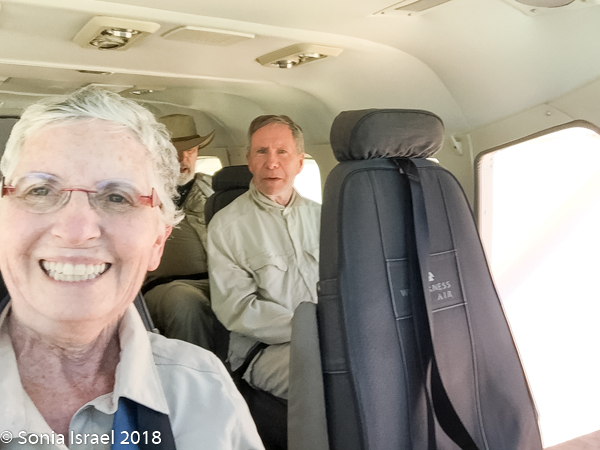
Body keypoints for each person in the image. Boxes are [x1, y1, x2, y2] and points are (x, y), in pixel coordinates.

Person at [0, 87, 264, 449]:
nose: (76, 231)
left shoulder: (206, 391)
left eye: (116, 197)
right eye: (40, 190)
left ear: (158, 241)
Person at [207, 115, 320, 448]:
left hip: (328, 337)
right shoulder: (227, 226)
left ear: (299, 162)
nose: (272, 162)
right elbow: (239, 309)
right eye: (261, 151)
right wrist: (312, 329)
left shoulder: (324, 216)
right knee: (329, 379)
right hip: (264, 350)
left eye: (282, 152)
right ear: (249, 161)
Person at [143, 113, 225, 356]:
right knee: (185, 302)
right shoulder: (144, 192)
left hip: (222, 281)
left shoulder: (215, 191)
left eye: (190, 150)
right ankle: (195, 376)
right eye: (174, 151)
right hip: (164, 286)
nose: (182, 158)